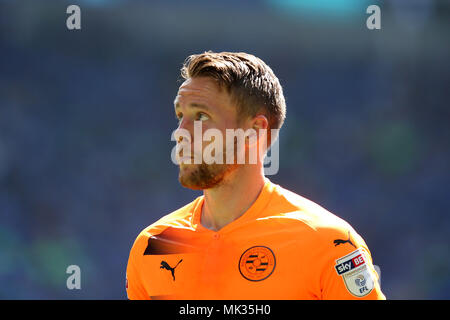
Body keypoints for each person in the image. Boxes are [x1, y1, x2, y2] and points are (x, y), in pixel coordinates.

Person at [126, 51, 385, 300]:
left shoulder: (330, 243)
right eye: (181, 116)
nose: (180, 132)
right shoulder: (153, 244)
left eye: (201, 116)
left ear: (254, 131)